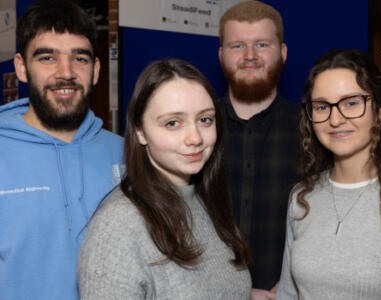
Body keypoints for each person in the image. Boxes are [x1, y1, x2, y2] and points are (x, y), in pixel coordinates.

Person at [277, 49, 381, 299]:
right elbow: (288, 294)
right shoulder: (302, 197)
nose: (335, 119)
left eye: (351, 103)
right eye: (322, 106)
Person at [77, 59, 252, 299]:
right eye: (173, 123)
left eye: (205, 120)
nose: (195, 137)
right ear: (140, 131)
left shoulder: (207, 200)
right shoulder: (118, 227)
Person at [0, 0, 124, 299]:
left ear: (95, 70)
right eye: (47, 57)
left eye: (79, 59)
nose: (65, 73)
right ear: (22, 67)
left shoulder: (127, 154)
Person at [218, 1, 300, 296]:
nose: (250, 56)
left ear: (283, 53)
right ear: (221, 55)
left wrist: (291, 284)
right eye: (237, 46)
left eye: (262, 44)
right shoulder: (196, 131)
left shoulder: (313, 131)